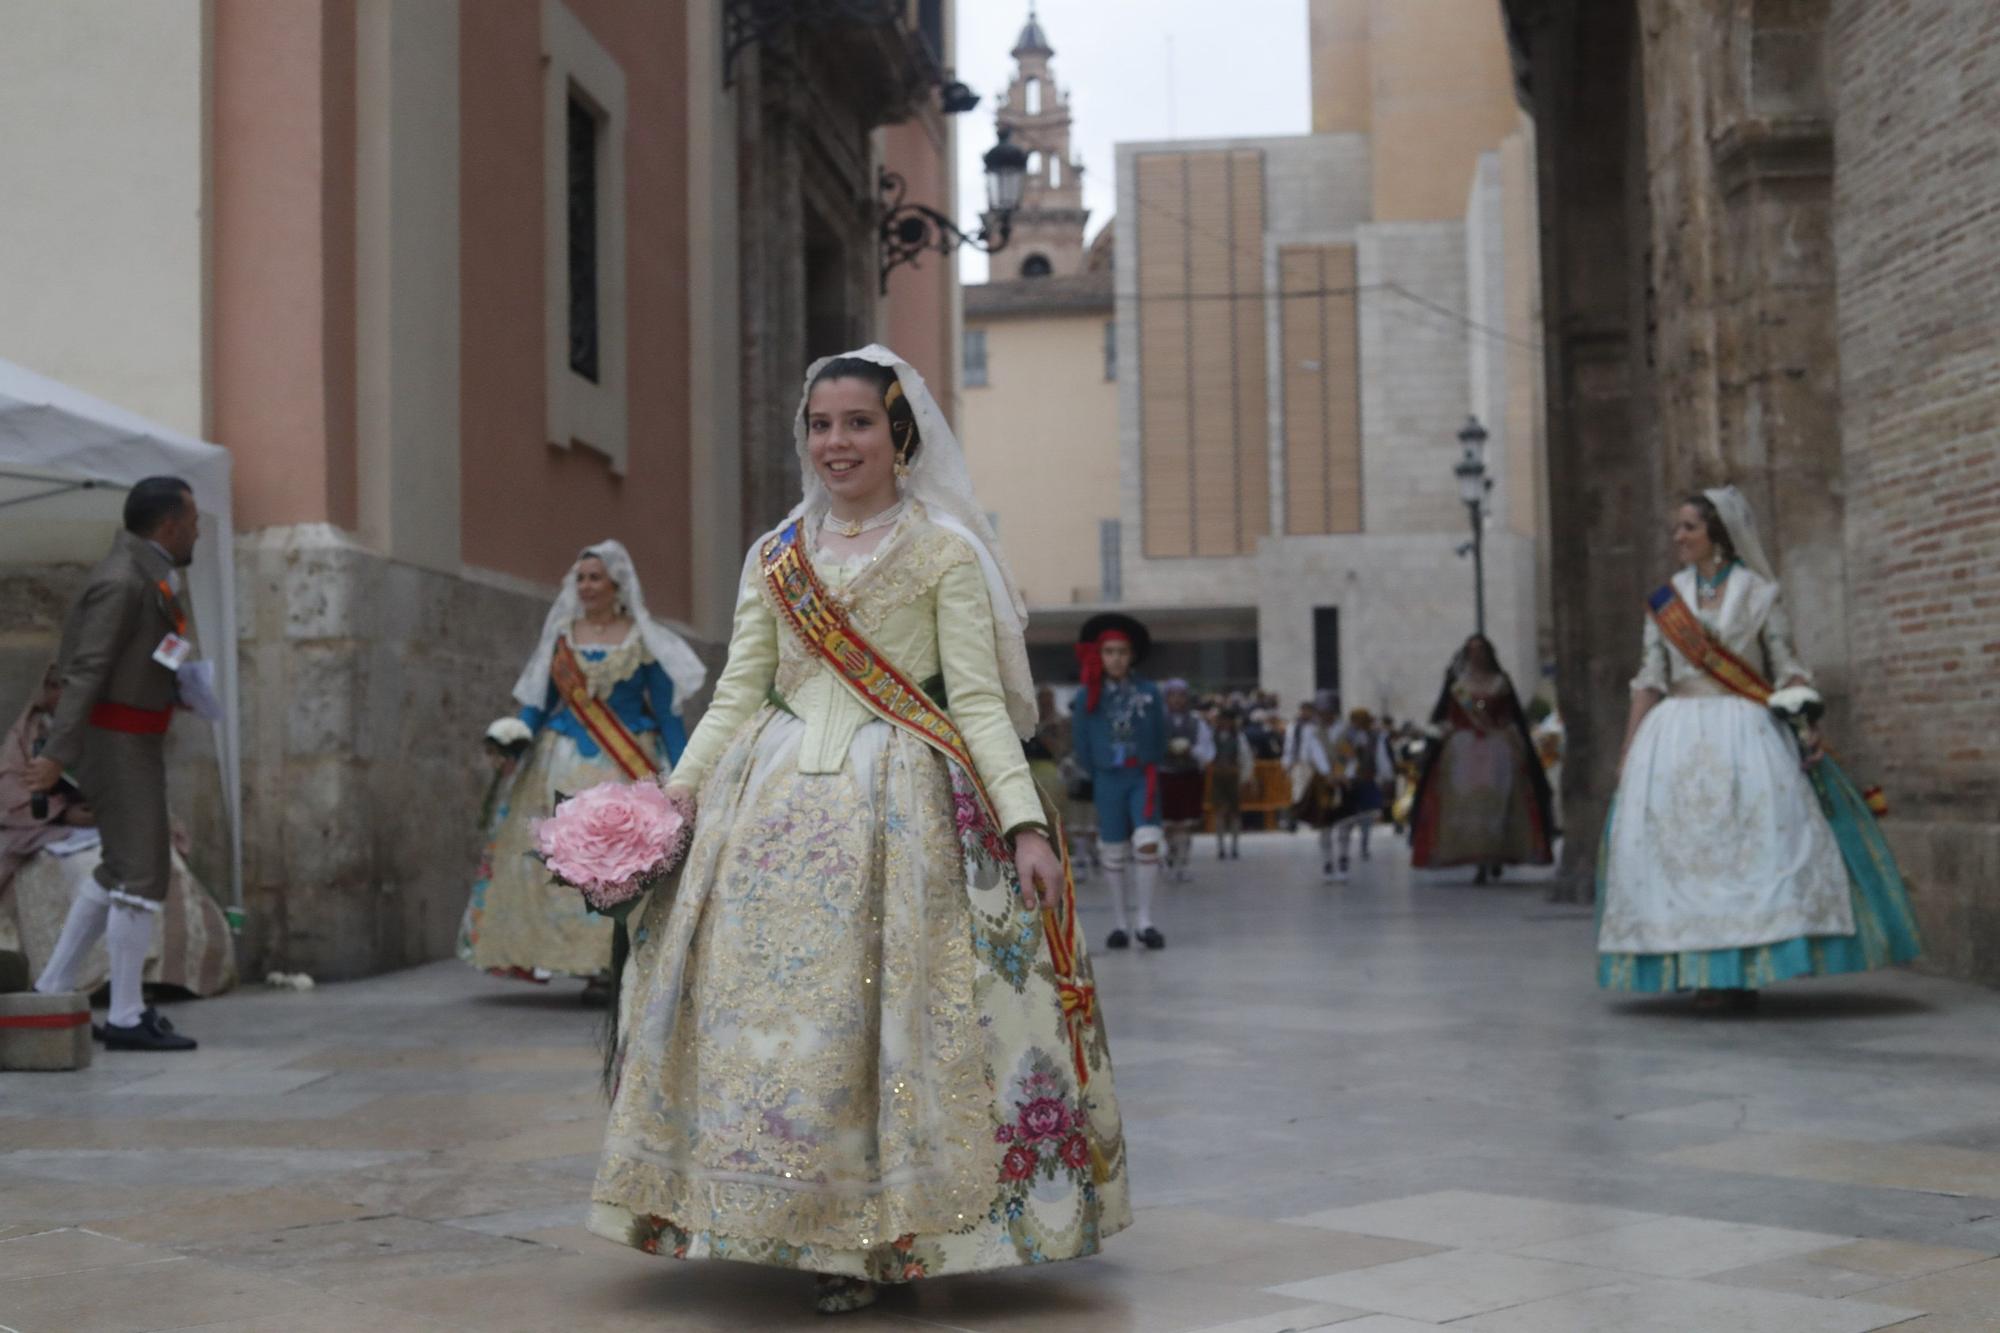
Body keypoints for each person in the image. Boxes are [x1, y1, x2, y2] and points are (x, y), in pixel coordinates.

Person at [589, 347, 1128, 1314]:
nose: (837, 442)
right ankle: (781, 1215)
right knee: (770, 1027)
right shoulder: (774, 556)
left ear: (901, 435)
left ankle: (879, 1234)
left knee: (878, 1029)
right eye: (821, 425)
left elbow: (974, 704)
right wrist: (665, 805)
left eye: (858, 423)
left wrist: (1024, 824)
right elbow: (736, 696)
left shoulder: (944, 553)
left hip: (900, 817)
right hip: (767, 812)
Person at [1598, 487, 1921, 1009]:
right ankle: (1701, 969)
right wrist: (1629, 748)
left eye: (1688, 527)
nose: (1677, 536)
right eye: (1677, 528)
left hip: (1746, 730)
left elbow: (1786, 665)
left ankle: (1743, 970)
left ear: (1717, 535)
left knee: (1750, 853)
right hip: (1675, 734)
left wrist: (1804, 718)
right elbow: (1650, 680)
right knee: (1683, 857)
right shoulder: (1666, 600)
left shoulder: (1759, 593)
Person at [459, 540, 703, 1005]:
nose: (586, 586)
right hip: (559, 764)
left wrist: (688, 771)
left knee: (620, 864)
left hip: (626, 767)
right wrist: (513, 736)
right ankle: (571, 958)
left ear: (617, 585)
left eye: (595, 578)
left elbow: (669, 717)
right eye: (581, 578)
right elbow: (539, 705)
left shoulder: (643, 641)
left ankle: (611, 962)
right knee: (564, 859)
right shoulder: (563, 638)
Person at [23, 477, 204, 1050]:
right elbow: (86, 673)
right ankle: (125, 1015)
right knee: (141, 872)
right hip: (116, 743)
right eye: (193, 522)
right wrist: (57, 756)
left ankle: (52, 986)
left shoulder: (144, 575)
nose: (197, 531)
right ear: (169, 526)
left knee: (121, 867)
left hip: (135, 740)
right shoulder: (122, 580)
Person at [3, 664, 235, 1001]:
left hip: (110, 824)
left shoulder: (100, 726)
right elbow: (11, 792)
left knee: (162, 866)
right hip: (49, 835)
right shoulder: (29, 732)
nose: (62, 696)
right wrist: (65, 812)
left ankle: (160, 977)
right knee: (88, 874)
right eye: (55, 687)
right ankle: (89, 982)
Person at [1407, 635, 1556, 883]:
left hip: (1498, 747)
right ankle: (1477, 859)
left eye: (1481, 650)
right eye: (1472, 650)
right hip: (1463, 749)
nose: (1477, 655)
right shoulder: (1458, 684)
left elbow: (1511, 714)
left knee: (1499, 801)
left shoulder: (1500, 682)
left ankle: (1495, 855)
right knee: (1467, 802)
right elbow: (1444, 715)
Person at [1072, 613, 1168, 948]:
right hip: (1107, 779)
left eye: (1122, 651)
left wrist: (1151, 762)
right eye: (1109, 651)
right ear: (1099, 654)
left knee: (1147, 840)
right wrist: (1095, 772)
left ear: (1132, 655)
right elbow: (1081, 742)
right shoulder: (1087, 696)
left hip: (1142, 775)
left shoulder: (1149, 692)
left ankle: (1145, 920)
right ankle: (1119, 923)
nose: (1116, 658)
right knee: (1112, 850)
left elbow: (1160, 735)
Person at [1326, 708, 1394, 882]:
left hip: (1365, 782)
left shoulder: (1374, 737)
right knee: (1346, 822)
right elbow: (1340, 760)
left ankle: (1360, 846)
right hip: (1349, 784)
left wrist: (1385, 777)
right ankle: (1343, 858)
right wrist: (1340, 776)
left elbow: (1380, 759)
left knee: (1365, 818)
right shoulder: (1345, 737)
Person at [1158, 679, 1215, 882]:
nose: (1177, 700)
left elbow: (1207, 750)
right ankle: (1171, 852)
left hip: (1189, 775)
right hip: (1164, 775)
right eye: (1172, 695)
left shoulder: (1197, 722)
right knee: (1168, 823)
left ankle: (1183, 861)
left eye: (1181, 695)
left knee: (1185, 823)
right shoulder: (1157, 721)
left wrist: (1191, 751)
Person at [1209, 708, 1255, 859]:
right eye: (1222, 720)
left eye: (1228, 720)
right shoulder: (1212, 736)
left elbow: (1246, 758)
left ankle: (1234, 846)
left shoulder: (1239, 737)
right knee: (1220, 811)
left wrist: (1245, 778)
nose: (1225, 723)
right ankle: (1220, 846)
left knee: (1235, 812)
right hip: (1218, 777)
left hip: (1234, 777)